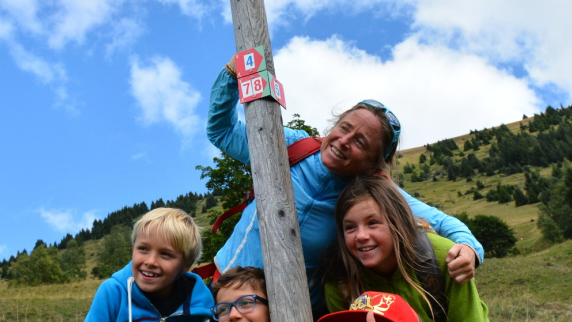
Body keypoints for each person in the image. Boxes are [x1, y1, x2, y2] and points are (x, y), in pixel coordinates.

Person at [207, 57, 484, 316]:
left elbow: (445, 223)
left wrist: (470, 250)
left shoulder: (370, 194)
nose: (343, 141)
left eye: (361, 142)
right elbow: (222, 131)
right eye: (343, 128)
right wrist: (231, 74)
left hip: (292, 311)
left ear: (374, 164)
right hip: (226, 297)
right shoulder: (293, 146)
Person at [323, 177, 489, 321]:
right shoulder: (340, 285)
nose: (361, 236)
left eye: (372, 223)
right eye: (350, 227)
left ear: (398, 223)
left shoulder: (444, 259)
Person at [85, 208, 214, 322]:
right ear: (133, 248)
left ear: (186, 265)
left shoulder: (202, 305)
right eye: (143, 249)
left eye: (165, 254)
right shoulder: (113, 293)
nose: (150, 261)